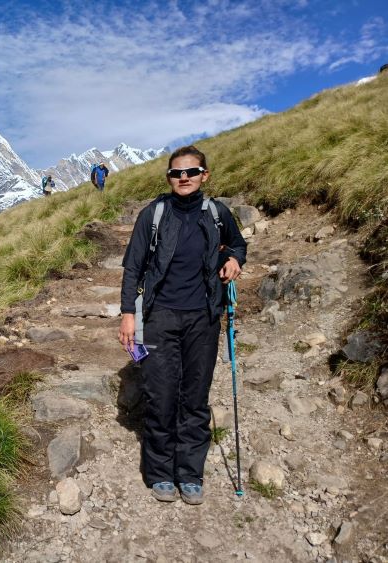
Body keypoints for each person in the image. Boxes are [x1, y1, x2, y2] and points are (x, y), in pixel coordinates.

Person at [117, 145, 246, 505]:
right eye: (176, 173)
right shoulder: (153, 214)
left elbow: (238, 244)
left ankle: (189, 472)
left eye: (191, 172)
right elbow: (133, 268)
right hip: (159, 317)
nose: (183, 178)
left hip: (204, 318)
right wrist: (129, 314)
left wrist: (234, 259)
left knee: (195, 396)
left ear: (205, 175)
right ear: (169, 178)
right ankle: (160, 472)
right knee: (161, 396)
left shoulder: (218, 213)